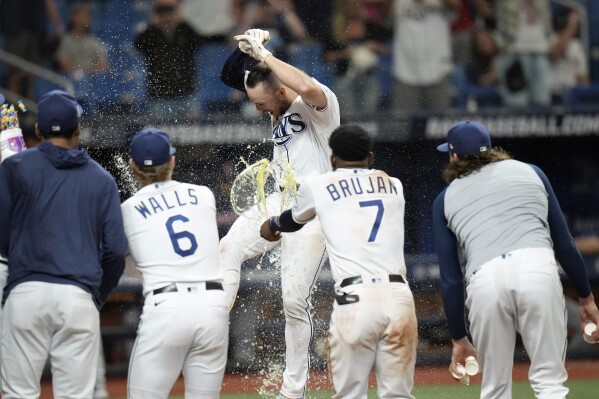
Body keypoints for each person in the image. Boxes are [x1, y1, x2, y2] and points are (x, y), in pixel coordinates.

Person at [432, 120, 599, 398]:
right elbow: (565, 246)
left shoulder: (444, 199)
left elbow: (451, 280)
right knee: (550, 384)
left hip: (485, 280)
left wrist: (459, 338)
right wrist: (586, 298)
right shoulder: (531, 172)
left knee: (495, 390)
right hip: (537, 268)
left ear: (454, 155)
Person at [220, 28, 340, 399]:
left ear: (281, 91)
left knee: (293, 299)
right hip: (279, 198)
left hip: (314, 207)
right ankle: (209, 326)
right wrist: (248, 51)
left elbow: (304, 84)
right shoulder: (269, 91)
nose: (256, 108)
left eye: (261, 102)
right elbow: (228, 76)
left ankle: (293, 390)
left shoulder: (319, 106)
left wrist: (266, 57)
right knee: (228, 247)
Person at [260, 125, 418, 398]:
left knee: (349, 394)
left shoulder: (319, 185)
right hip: (399, 298)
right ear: (370, 157)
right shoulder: (394, 185)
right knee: (398, 395)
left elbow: (292, 221)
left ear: (332, 159)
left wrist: (272, 223)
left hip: (355, 301)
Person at [0, 90, 127, 397]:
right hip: (77, 295)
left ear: (39, 130)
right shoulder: (101, 179)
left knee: (18, 393)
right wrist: (94, 296)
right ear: (79, 129)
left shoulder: (15, 167)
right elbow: (115, 252)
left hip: (26, 291)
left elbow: (3, 237)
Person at [121, 129, 229, 398]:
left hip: (166, 307)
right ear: (172, 161)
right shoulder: (204, 195)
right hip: (213, 307)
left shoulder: (128, 209)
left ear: (132, 165)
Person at [134, 0, 204, 120]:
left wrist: (181, 18)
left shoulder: (185, 30)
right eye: (161, 11)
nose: (166, 15)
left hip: (187, 96)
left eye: (170, 11)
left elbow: (199, 42)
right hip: (159, 98)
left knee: (193, 136)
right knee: (158, 137)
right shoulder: (151, 33)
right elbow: (136, 47)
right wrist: (152, 22)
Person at [391, 0, 460, 114]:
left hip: (438, 71)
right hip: (405, 72)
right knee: (400, 127)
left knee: (441, 126)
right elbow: (384, 15)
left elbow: (455, 5)